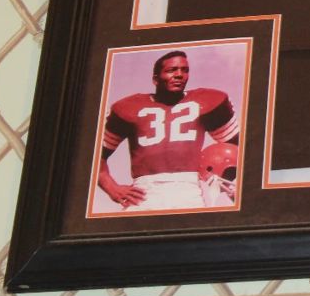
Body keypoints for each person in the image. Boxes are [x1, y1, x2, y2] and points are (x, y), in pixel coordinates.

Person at [97, 50, 239, 211]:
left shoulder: (207, 101)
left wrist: (234, 184)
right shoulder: (128, 107)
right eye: (171, 70)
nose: (179, 75)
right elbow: (94, 156)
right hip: (143, 193)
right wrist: (110, 187)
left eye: (184, 70)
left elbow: (238, 150)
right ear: (155, 79)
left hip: (188, 190)